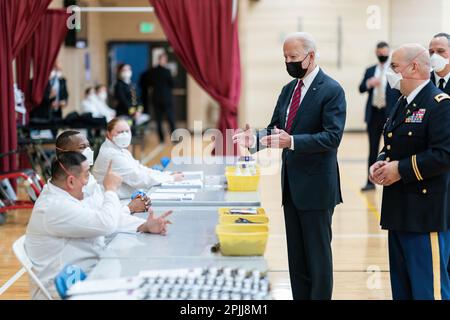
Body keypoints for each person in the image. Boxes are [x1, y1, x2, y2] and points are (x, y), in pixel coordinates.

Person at [233, 32, 346, 300]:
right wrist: (256, 138)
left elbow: (332, 137)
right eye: (285, 57)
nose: (288, 62)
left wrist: (293, 141)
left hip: (317, 187)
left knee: (317, 258)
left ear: (311, 56)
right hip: (291, 187)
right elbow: (276, 128)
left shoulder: (331, 90)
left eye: (293, 57)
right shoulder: (288, 90)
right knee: (296, 257)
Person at [25, 152, 173, 299]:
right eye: (86, 175)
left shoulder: (66, 195)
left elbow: (104, 219)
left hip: (88, 270)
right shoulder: (55, 206)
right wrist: (111, 190)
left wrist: (144, 226)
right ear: (71, 181)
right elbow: (106, 224)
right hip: (65, 286)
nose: (87, 181)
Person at [369, 43, 450, 300]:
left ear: (413, 67)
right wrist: (381, 163)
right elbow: (393, 143)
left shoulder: (440, 104)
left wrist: (400, 170)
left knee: (429, 290)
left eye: (394, 67)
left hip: (425, 214)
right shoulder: (402, 102)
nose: (390, 73)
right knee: (402, 290)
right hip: (398, 211)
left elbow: (443, 155)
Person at [55, 130, 150, 215]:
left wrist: (131, 204)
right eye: (82, 147)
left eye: (88, 146)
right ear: (65, 153)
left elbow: (101, 207)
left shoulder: (88, 176)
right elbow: (99, 220)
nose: (88, 150)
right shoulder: (68, 185)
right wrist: (129, 208)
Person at [93, 118, 184, 199]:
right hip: (115, 201)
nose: (124, 135)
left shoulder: (120, 150)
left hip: (124, 197)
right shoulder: (111, 154)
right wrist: (170, 179)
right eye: (120, 132)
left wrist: (166, 175)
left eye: (127, 131)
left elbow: (139, 168)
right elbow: (138, 178)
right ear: (109, 134)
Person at [359, 42, 401, 192]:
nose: (382, 55)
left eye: (385, 53)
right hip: (374, 114)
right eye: (380, 53)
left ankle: (392, 178)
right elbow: (361, 88)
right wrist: (369, 83)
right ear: (376, 53)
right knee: (372, 149)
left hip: (389, 114)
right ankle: (370, 181)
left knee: (393, 148)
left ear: (388, 53)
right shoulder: (370, 70)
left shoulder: (394, 69)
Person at [140, 53, 177, 144]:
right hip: (166, 99)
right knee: (170, 119)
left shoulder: (152, 71)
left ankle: (161, 140)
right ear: (164, 60)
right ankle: (174, 139)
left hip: (156, 98)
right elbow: (173, 84)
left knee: (159, 120)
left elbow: (145, 82)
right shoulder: (167, 71)